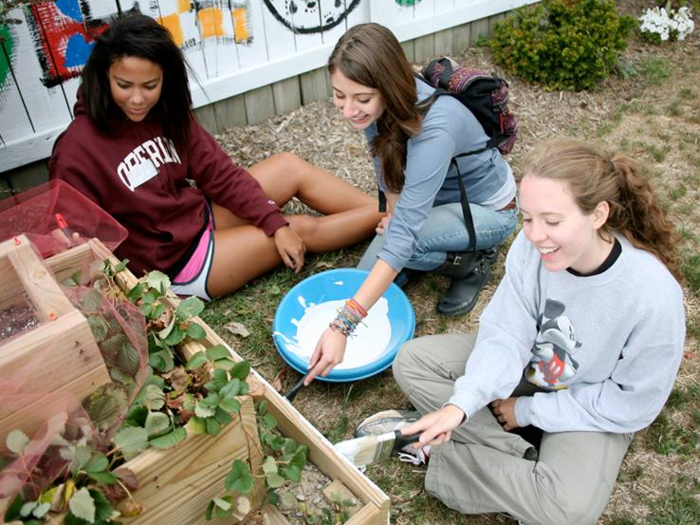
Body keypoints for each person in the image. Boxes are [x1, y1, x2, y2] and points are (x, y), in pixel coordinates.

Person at [371, 138, 685, 524]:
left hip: (589, 403)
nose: (535, 235)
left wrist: (527, 411)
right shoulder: (531, 247)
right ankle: (517, 462)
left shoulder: (652, 294)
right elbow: (506, 334)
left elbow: (631, 403)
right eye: (528, 217)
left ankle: (445, 453)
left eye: (552, 221)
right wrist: (460, 405)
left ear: (598, 215)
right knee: (413, 361)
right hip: (530, 369)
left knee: (568, 510)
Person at [49, 14, 381, 301]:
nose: (137, 98)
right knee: (299, 229)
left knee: (288, 167)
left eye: (149, 85)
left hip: (194, 217)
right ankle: (399, 221)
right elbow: (75, 240)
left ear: (165, 78)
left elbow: (219, 174)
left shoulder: (165, 110)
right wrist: (279, 226)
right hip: (174, 263)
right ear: (104, 76)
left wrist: (269, 219)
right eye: (124, 85)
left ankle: (390, 213)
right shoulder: (77, 150)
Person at [304, 22, 518, 383]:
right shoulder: (380, 105)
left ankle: (473, 261)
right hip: (435, 204)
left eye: (360, 98)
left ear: (386, 86)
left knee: (402, 246)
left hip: (488, 211)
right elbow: (385, 167)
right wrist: (391, 213)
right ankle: (419, 257)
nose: (348, 110)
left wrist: (343, 325)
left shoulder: (437, 125)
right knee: (367, 274)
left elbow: (404, 234)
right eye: (340, 95)